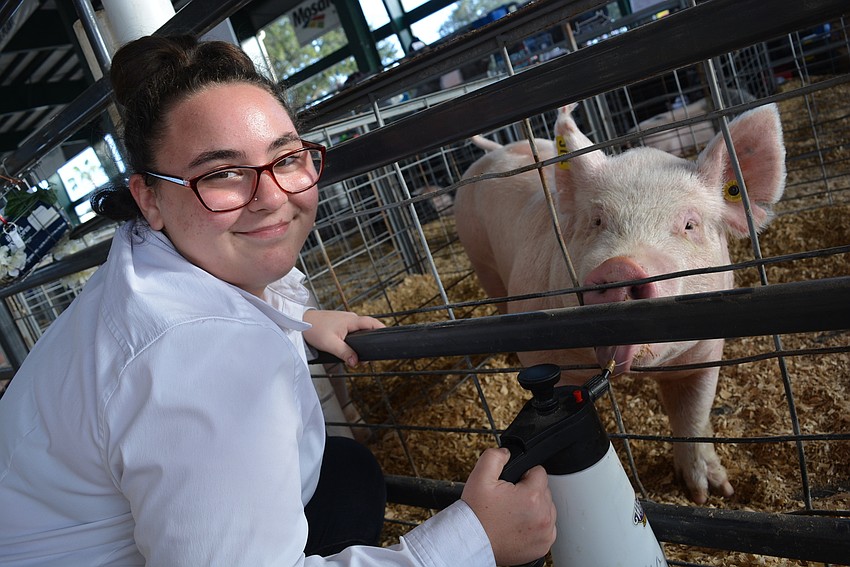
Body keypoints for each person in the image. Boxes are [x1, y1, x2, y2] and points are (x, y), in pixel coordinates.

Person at [0, 35, 556, 566]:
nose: (271, 198)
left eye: (286, 158)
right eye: (222, 174)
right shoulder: (205, 358)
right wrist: (474, 540)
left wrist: (295, 318)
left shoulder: (144, 269)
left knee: (346, 471)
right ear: (149, 197)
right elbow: (193, 355)